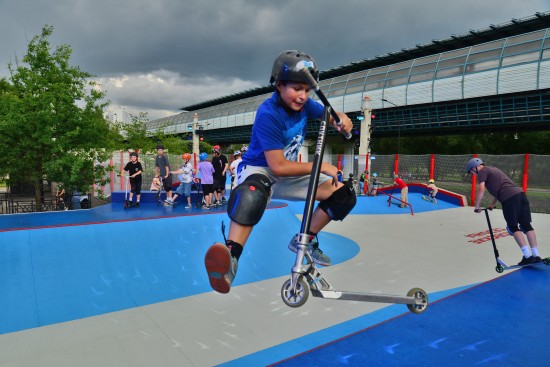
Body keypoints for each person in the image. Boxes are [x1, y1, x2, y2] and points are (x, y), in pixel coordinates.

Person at [204, 50, 355, 294]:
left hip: (289, 173)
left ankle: (305, 240)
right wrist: (321, 166)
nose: (303, 96)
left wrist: (342, 118)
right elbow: (277, 166)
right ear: (279, 85)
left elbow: (329, 114)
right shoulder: (268, 113)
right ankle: (230, 260)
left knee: (343, 193)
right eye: (296, 88)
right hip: (260, 169)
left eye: (307, 90)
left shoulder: (306, 105)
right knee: (251, 194)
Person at [467, 157, 543, 265]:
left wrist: (477, 206)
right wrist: (493, 204)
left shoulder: (482, 172)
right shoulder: (494, 169)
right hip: (520, 194)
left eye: (471, 172)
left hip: (509, 199)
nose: (473, 174)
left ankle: (528, 256)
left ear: (475, 167)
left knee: (512, 227)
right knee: (526, 225)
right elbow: (500, 188)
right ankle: (536, 255)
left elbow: (481, 189)